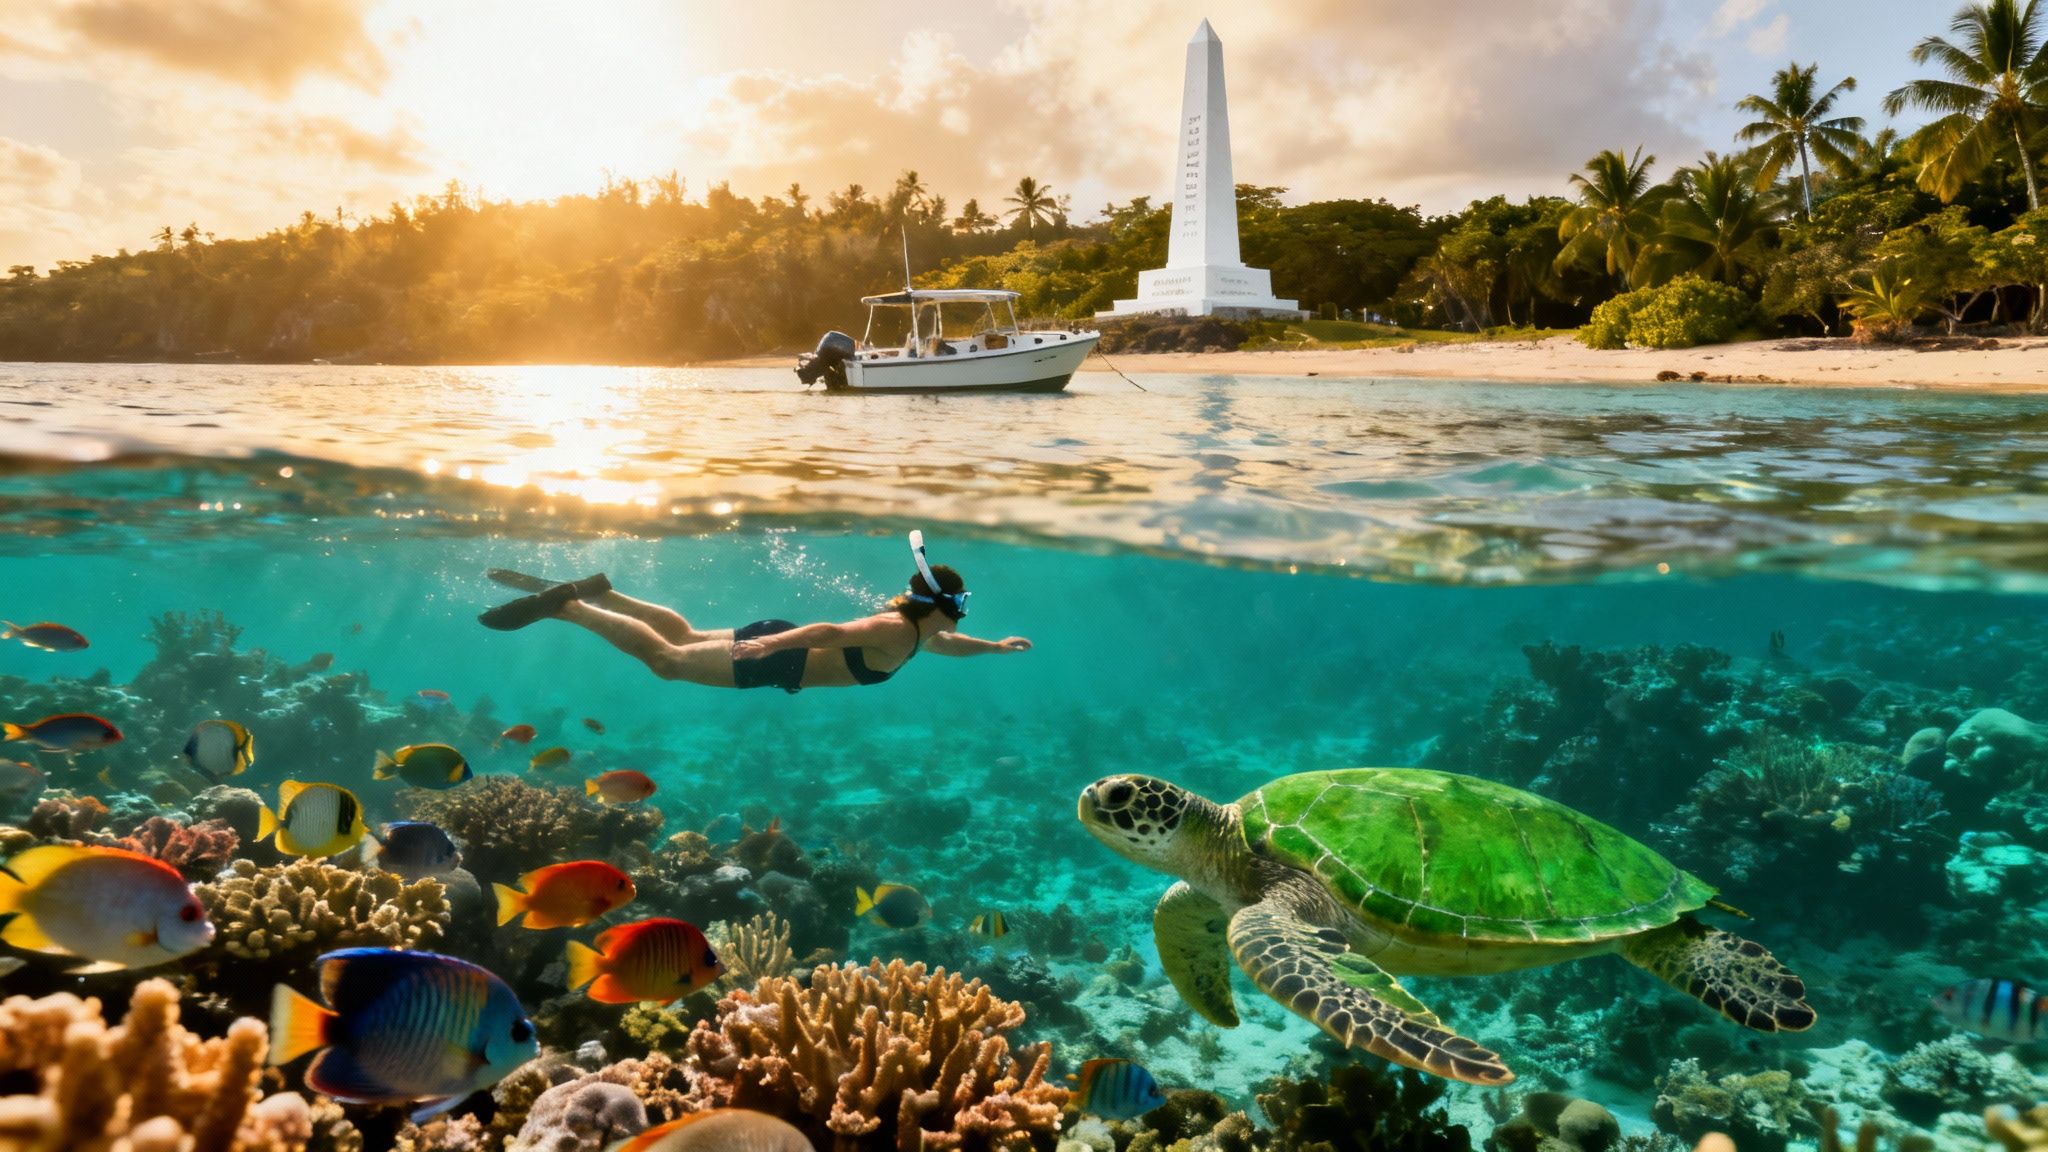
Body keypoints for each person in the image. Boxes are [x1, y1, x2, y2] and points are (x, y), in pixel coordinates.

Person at [477, 532, 1030, 692]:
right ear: (943, 604)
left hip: (779, 645)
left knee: (686, 634)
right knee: (668, 661)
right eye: (962, 604)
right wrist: (770, 648)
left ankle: (603, 592)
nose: (964, 614)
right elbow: (833, 631)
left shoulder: (917, 634)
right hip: (777, 659)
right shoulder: (893, 628)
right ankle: (568, 606)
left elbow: (952, 645)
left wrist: (998, 648)